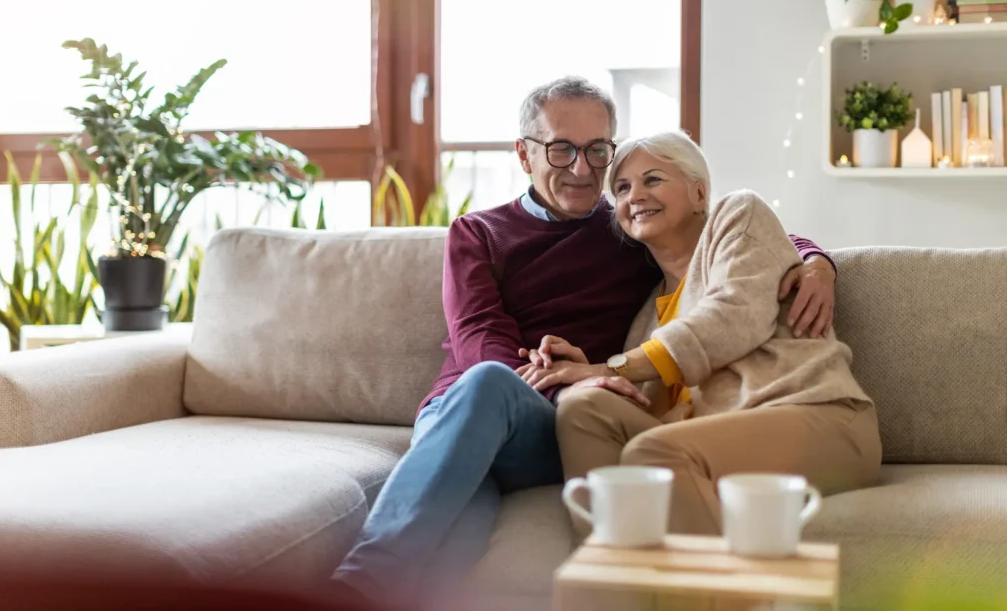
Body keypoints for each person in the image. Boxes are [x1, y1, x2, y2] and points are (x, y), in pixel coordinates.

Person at [329, 79, 838, 609]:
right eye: (560, 148)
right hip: (470, 410)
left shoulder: (628, 223)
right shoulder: (477, 233)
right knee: (450, 535)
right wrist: (563, 382)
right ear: (524, 155)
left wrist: (816, 261)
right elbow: (479, 336)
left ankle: (348, 591)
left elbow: (727, 235)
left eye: (597, 150)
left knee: (493, 409)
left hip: (562, 426)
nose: (581, 168)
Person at [521, 131, 881, 538]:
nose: (634, 195)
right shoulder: (645, 319)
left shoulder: (738, 216)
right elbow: (655, 406)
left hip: (820, 417)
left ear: (698, 193)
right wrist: (594, 378)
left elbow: (731, 316)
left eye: (653, 179)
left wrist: (615, 367)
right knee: (582, 410)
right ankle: (616, 571)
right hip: (719, 441)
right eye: (622, 188)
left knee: (656, 452)